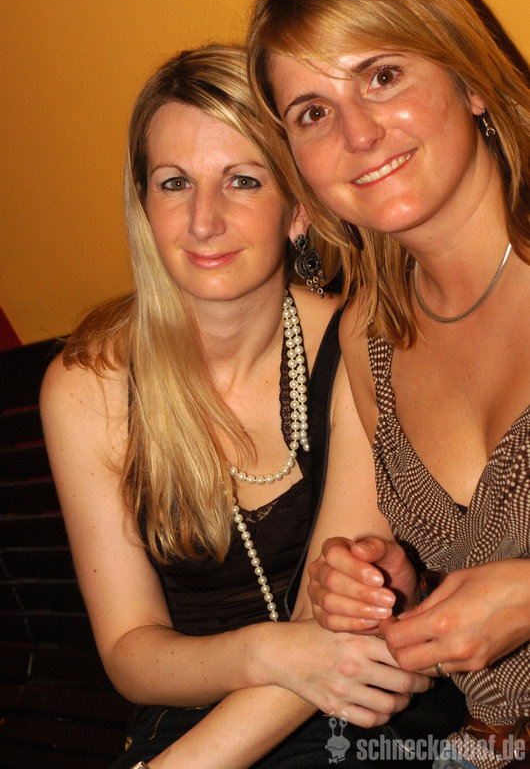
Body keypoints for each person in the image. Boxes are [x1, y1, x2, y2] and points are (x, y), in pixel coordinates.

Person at [40, 44, 442, 769]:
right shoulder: (89, 385)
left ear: (298, 210)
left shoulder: (363, 345)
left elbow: (336, 629)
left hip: (358, 714)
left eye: (243, 181)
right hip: (191, 714)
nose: (203, 220)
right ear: (144, 207)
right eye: (174, 184)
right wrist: (263, 651)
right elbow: (130, 650)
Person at [246, 0, 530, 767]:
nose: (358, 133)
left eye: (382, 75)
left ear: (470, 80)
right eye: (313, 112)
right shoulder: (370, 333)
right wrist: (397, 590)